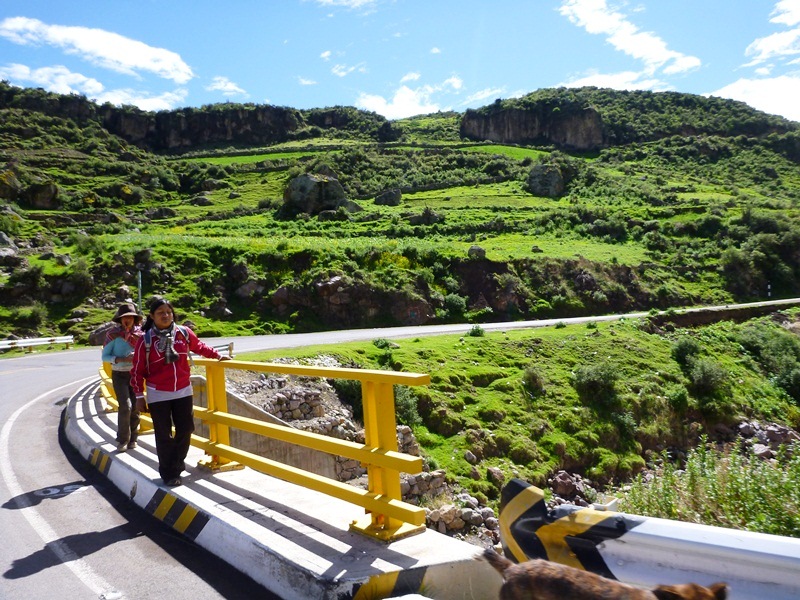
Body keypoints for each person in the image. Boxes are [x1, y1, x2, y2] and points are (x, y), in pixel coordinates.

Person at [130, 297, 229, 487]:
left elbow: (199, 346)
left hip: (183, 390)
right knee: (163, 434)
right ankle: (170, 473)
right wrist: (139, 396)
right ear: (152, 316)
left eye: (168, 312)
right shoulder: (146, 340)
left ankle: (176, 464)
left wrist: (217, 355)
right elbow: (137, 370)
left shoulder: (183, 333)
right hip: (158, 392)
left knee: (186, 429)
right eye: (160, 313)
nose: (165, 315)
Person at [101, 302, 143, 452]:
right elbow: (105, 356)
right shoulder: (112, 335)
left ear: (134, 319)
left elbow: (147, 352)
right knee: (126, 406)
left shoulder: (141, 335)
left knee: (135, 407)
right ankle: (123, 439)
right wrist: (121, 359)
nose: (127, 320)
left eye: (130, 317)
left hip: (136, 374)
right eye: (124, 317)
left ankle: (134, 438)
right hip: (119, 374)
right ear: (120, 319)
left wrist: (137, 356)